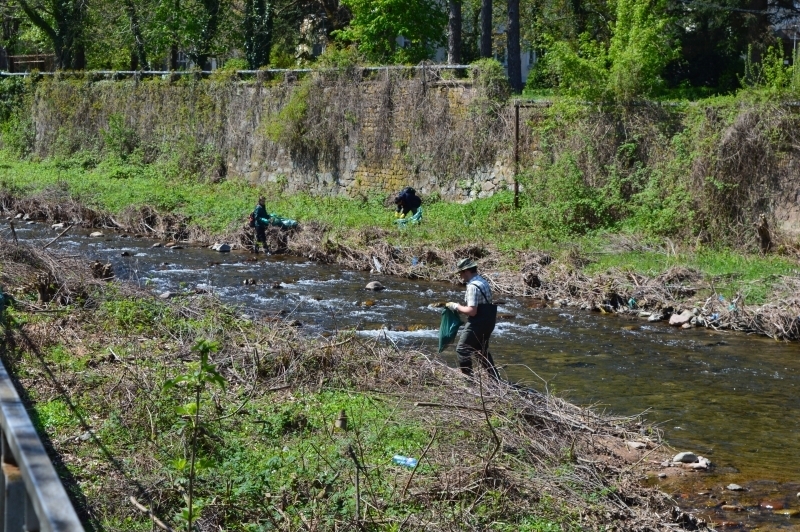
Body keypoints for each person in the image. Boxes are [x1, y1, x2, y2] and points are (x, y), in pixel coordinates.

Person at [446, 258, 500, 380]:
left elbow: (472, 311)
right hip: (489, 321)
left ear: (466, 271)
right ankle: (495, 379)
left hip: (478, 323)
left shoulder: (472, 286)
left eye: (460, 273)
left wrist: (455, 306)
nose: (460, 276)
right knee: (481, 351)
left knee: (462, 349)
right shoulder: (482, 281)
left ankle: (469, 380)